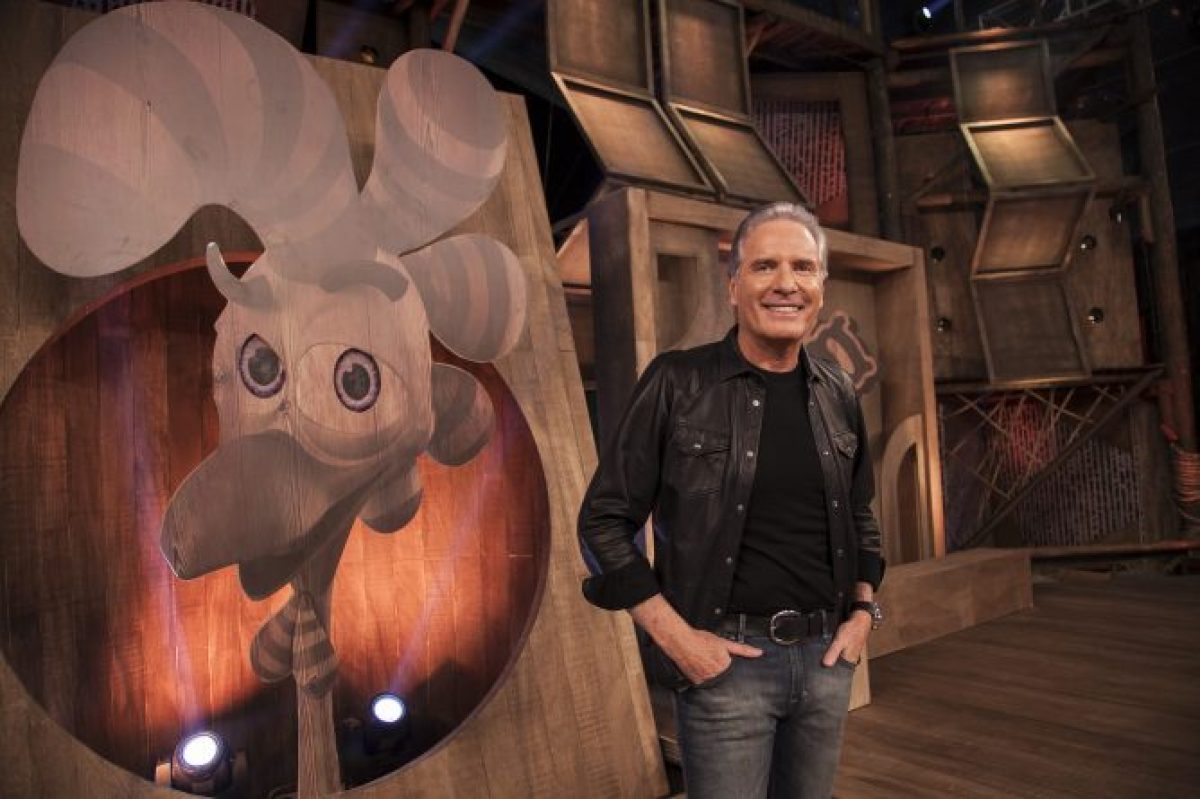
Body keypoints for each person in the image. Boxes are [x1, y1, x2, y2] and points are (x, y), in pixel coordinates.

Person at [577, 202, 885, 799]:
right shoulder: (677, 381)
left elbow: (860, 514)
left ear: (821, 287)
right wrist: (676, 640)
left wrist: (861, 617)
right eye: (765, 266)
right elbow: (604, 521)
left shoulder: (838, 391)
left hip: (827, 662)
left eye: (803, 267)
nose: (786, 283)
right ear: (733, 286)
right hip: (725, 667)